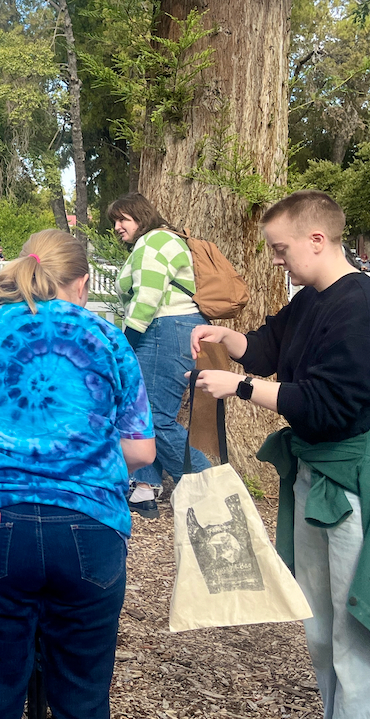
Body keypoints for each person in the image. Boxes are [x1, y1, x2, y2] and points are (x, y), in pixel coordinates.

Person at [191, 190, 370, 718]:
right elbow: (269, 346)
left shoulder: (365, 310)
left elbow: (325, 407)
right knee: (323, 630)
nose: (276, 260)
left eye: (281, 249)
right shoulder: (313, 298)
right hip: (319, 475)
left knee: (363, 636)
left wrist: (239, 388)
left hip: (364, 482)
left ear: (317, 240)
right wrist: (228, 338)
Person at [0, 229, 155, 719]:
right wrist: (90, 463)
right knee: (83, 696)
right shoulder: (108, 338)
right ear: (82, 283)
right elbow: (140, 450)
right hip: (90, 527)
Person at [107, 192, 211, 517]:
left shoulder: (153, 242)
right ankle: (143, 488)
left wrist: (127, 342)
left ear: (141, 216)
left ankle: (210, 486)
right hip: (170, 328)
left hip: (166, 328)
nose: (117, 227)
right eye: (114, 221)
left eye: (122, 219)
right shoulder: (154, 242)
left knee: (155, 417)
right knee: (142, 411)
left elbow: (148, 298)